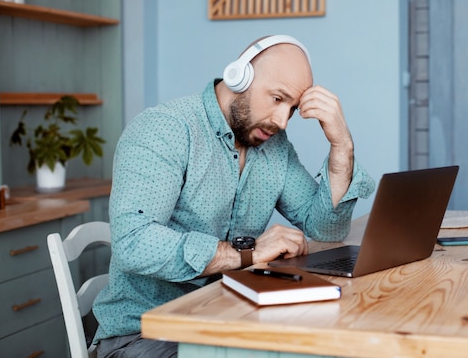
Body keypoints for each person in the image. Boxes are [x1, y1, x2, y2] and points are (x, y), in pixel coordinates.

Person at [92, 35, 375, 357]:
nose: (282, 122)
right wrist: (248, 253)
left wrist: (342, 146)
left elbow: (327, 228)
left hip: (227, 320)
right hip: (145, 333)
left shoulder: (274, 147)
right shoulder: (165, 129)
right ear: (239, 76)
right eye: (277, 98)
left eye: (293, 109)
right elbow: (134, 244)